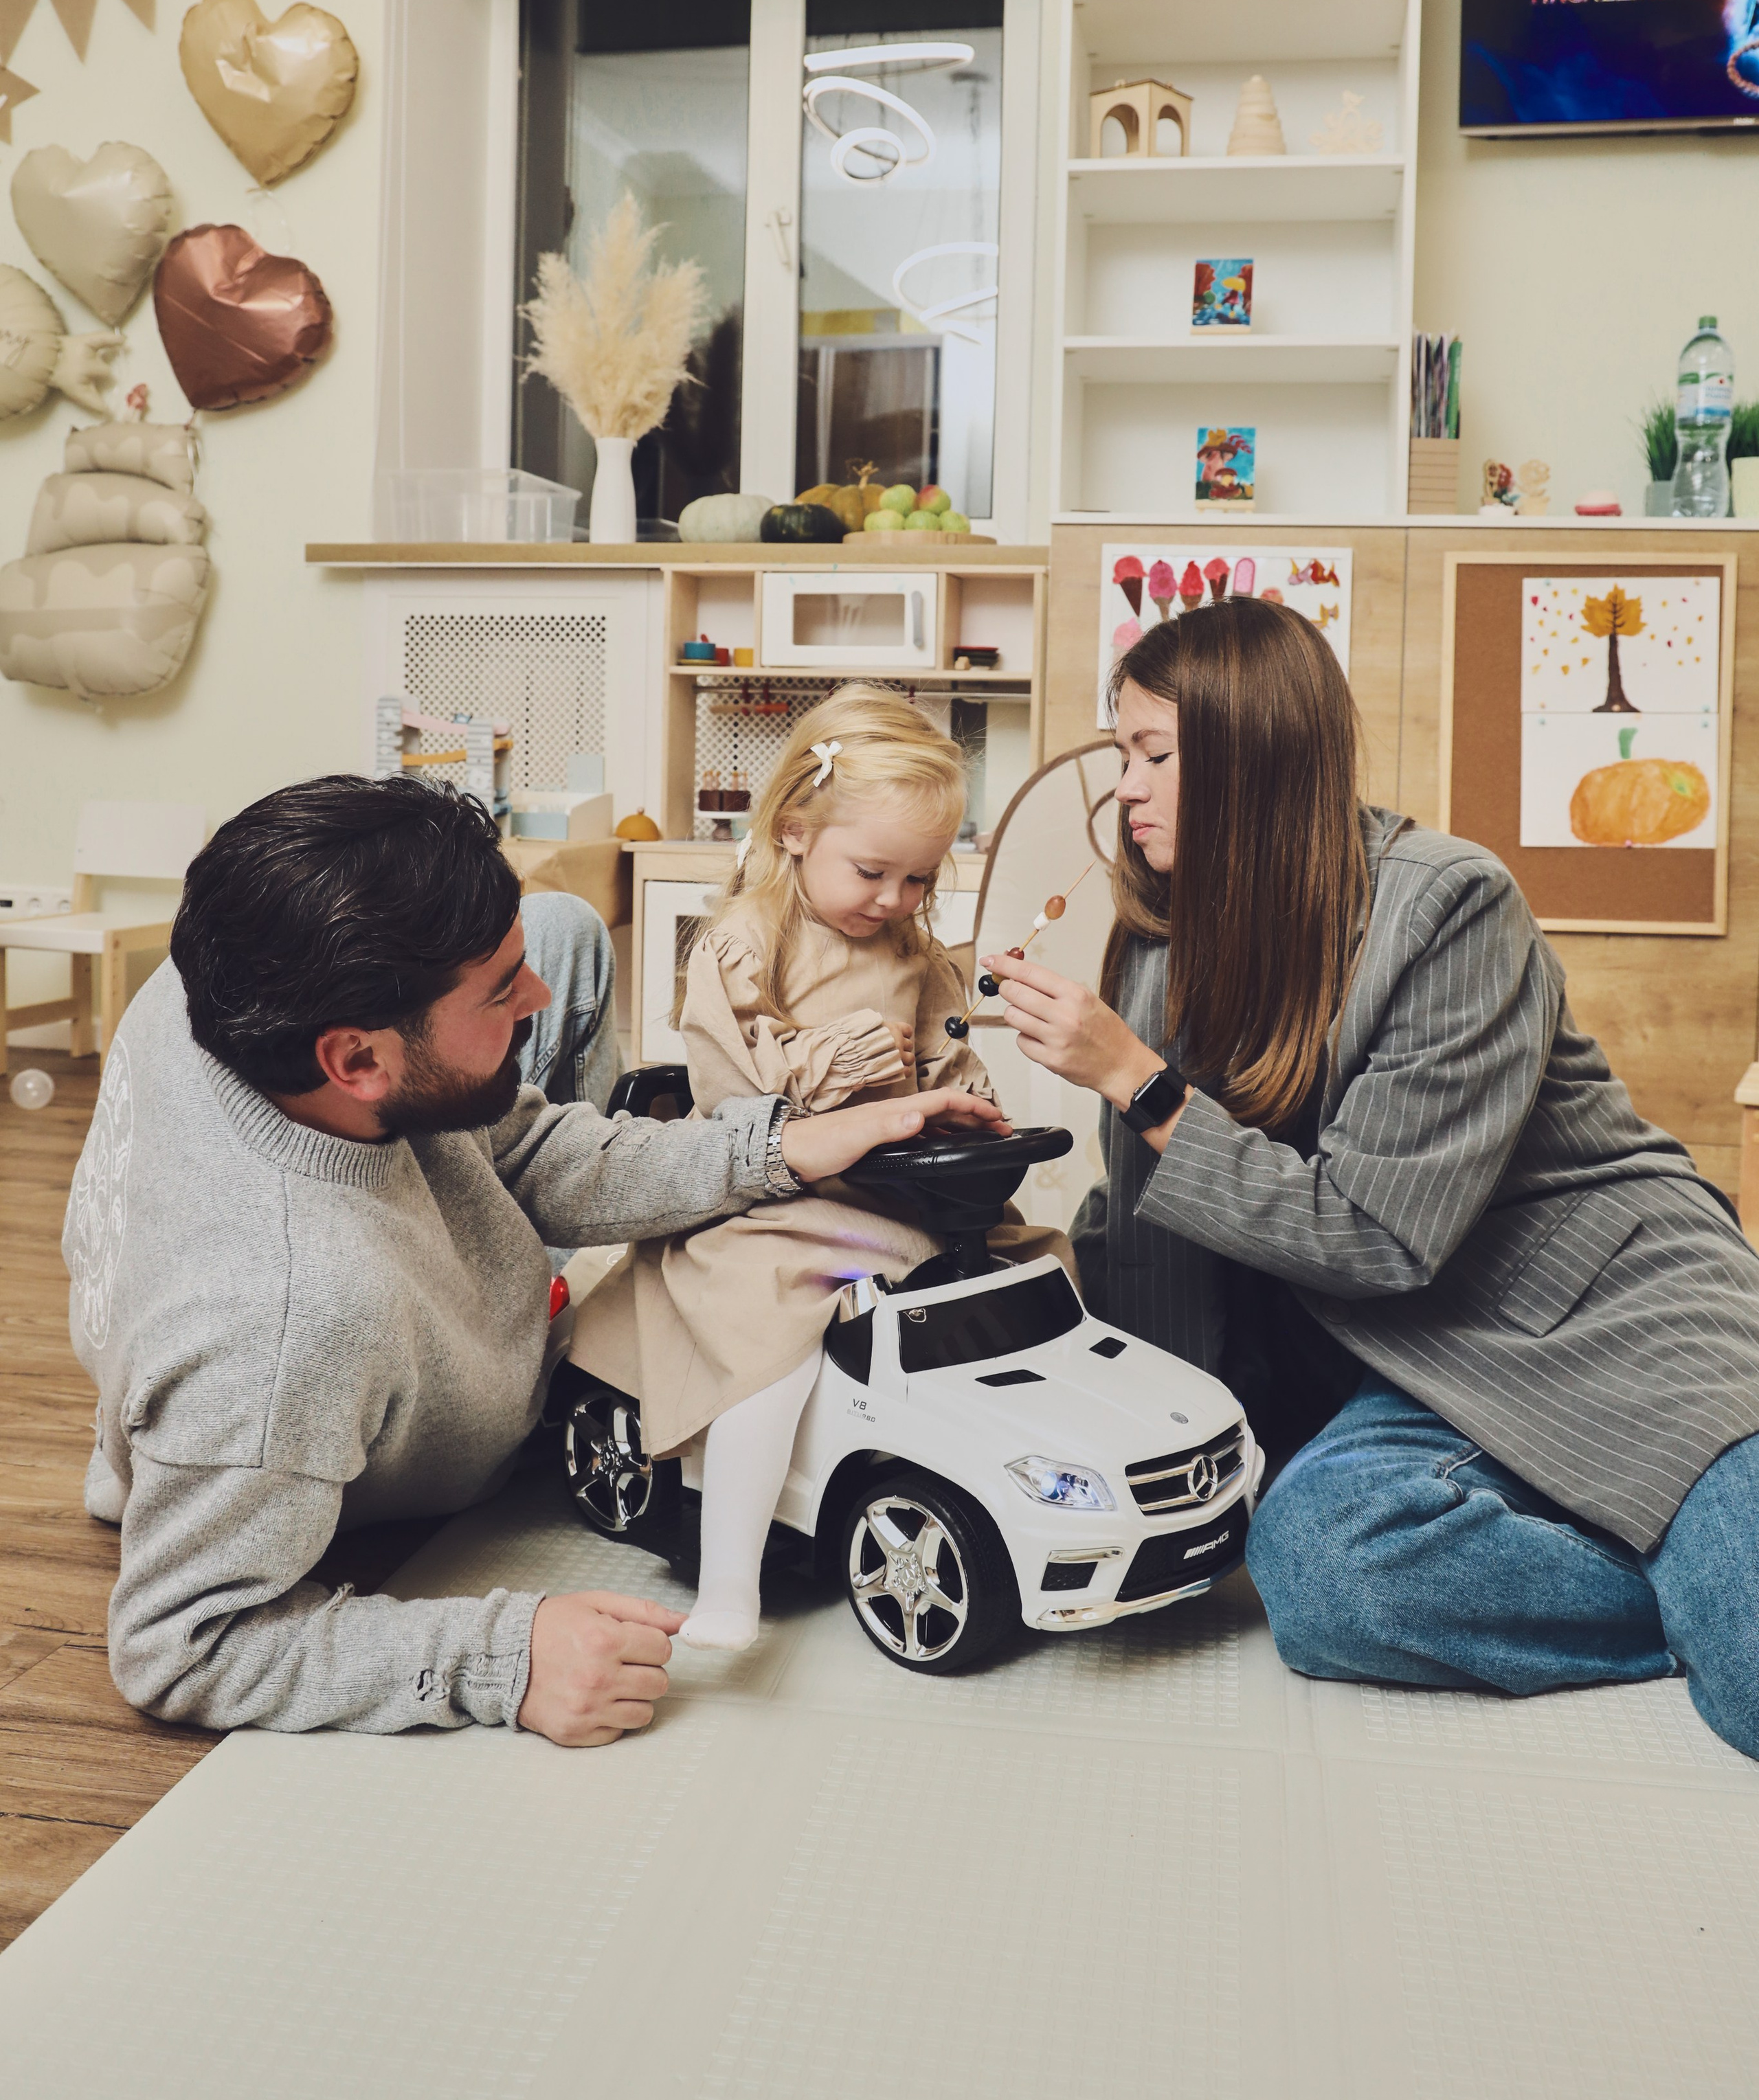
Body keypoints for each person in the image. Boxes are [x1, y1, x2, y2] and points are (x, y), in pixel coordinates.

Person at [65, 774, 1002, 1747]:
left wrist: (780, 1145)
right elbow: (182, 1643)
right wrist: (504, 1656)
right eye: (503, 991)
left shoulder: (234, 960)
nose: (540, 999)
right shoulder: (290, 1321)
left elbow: (518, 1144)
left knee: (560, 926)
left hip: (290, 1309)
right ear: (355, 1062)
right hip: (291, 1396)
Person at [982, 600, 1759, 1761]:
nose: (1124, 789)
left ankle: (1710, 1591)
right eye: (1121, 752)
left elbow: (1378, 1239)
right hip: (1416, 1365)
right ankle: (1680, 1590)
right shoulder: (1157, 941)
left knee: (1751, 1673)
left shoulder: (1450, 905)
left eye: (1154, 756)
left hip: (1609, 1326)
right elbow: (1146, 1229)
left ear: (1250, 761)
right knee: (1320, 1571)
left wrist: (1144, 1085)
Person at [572, 686, 1066, 1651]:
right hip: (777, 1204)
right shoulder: (746, 942)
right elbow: (732, 1097)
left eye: (920, 881)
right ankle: (729, 1587)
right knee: (774, 1345)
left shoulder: (920, 957)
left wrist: (963, 1102)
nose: (894, 901)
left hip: (898, 1197)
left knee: (1034, 1278)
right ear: (796, 829)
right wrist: (836, 1060)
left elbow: (943, 1066)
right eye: (874, 871)